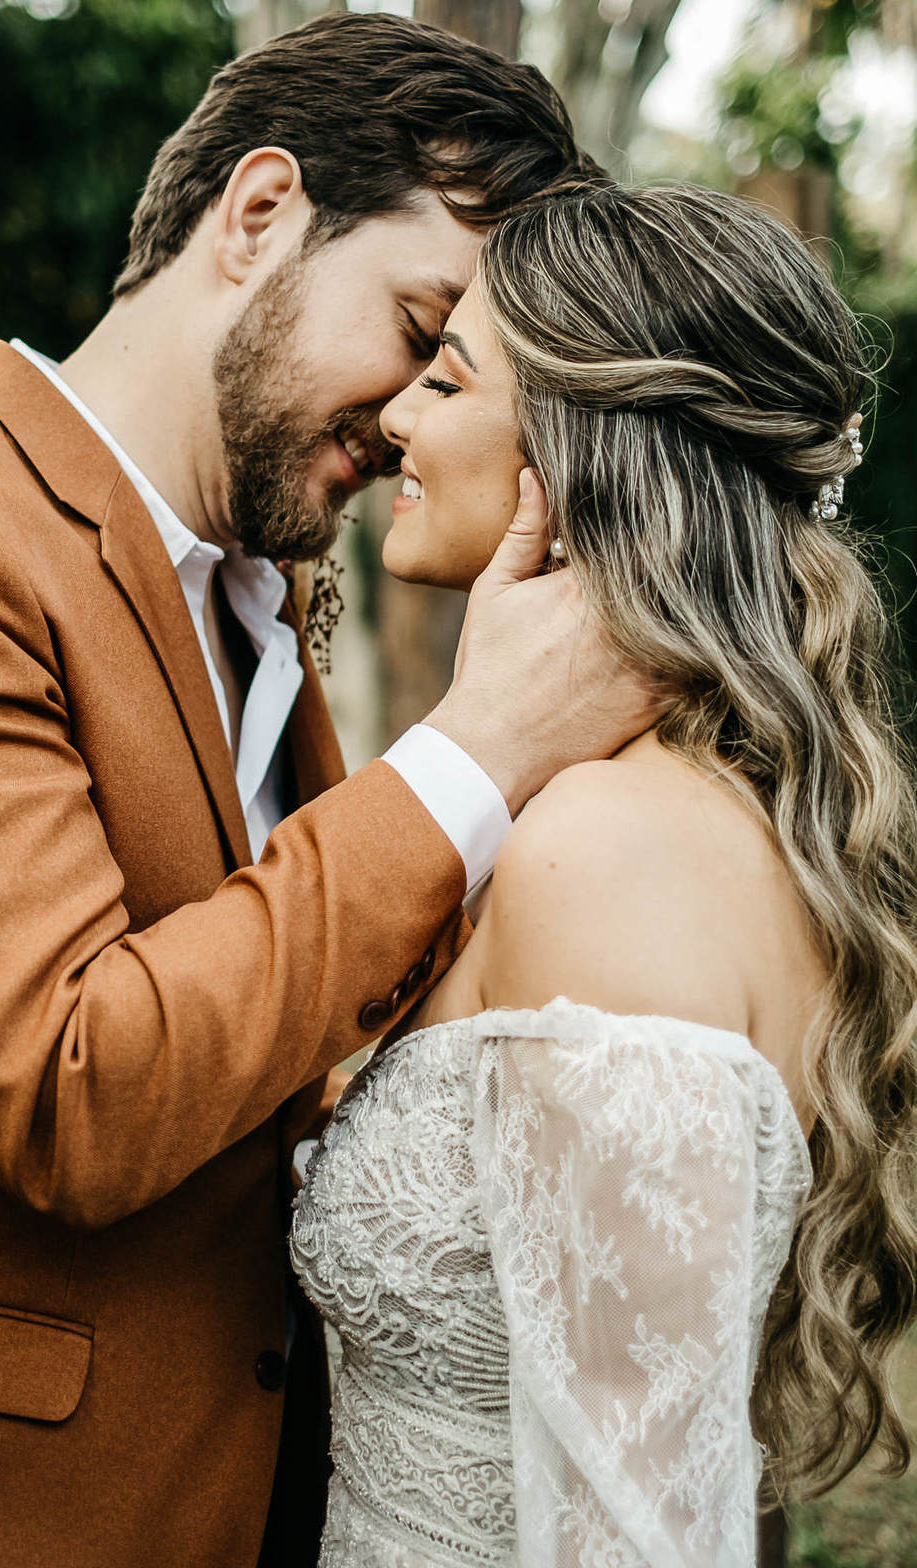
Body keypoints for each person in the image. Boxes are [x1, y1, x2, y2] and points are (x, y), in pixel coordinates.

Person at [0, 13, 655, 1568]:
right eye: (420, 325)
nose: (419, 409)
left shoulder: (262, 602)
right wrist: (481, 749)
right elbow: (73, 1085)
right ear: (262, 210)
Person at [292, 181, 917, 1566]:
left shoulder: (612, 854)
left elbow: (642, 1532)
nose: (398, 415)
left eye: (448, 378)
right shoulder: (651, 815)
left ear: (576, 460)